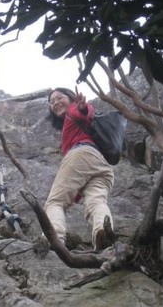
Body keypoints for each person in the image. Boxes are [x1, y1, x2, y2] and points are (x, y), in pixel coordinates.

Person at [43, 87, 114, 251]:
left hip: (82, 155)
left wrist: (82, 107)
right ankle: (103, 233)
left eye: (59, 98)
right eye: (51, 102)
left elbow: (82, 112)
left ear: (71, 98)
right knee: (96, 202)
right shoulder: (74, 121)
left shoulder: (74, 110)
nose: (55, 103)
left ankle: (55, 239)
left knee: (55, 202)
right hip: (102, 164)